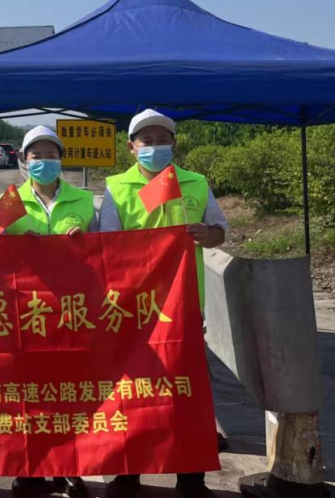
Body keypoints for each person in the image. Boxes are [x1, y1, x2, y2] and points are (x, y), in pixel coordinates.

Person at [99, 109, 228, 498]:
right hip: (133, 306)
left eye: (162, 141)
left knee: (186, 392)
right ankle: (127, 474)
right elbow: (108, 245)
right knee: (133, 392)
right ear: (131, 147)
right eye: (147, 142)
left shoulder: (195, 183)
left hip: (184, 305)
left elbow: (220, 232)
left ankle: (191, 476)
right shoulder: (116, 187)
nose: (154, 148)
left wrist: (206, 234)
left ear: (174, 144)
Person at [1, 125, 93, 498]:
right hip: (26, 311)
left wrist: (84, 243)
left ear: (61, 160)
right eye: (36, 156)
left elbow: (108, 252)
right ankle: (30, 471)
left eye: (51, 155)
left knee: (70, 392)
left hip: (72, 311)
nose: (43, 161)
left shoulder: (84, 201)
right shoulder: (9, 201)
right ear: (25, 161)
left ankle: (69, 469)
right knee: (28, 393)